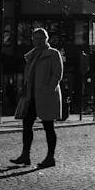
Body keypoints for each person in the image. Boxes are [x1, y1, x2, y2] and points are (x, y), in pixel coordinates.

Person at [10, 28, 63, 168]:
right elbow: (29, 76)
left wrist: (48, 89)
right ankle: (25, 155)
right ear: (32, 40)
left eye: (41, 38)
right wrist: (24, 88)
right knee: (27, 125)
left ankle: (50, 157)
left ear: (46, 39)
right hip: (31, 96)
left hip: (46, 96)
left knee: (48, 126)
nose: (38, 41)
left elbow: (57, 74)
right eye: (35, 38)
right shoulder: (32, 55)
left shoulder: (53, 54)